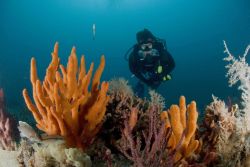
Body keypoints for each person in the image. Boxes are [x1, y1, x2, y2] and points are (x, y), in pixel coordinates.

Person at [128, 29, 175, 96]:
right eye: (144, 46)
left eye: (149, 45)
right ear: (139, 45)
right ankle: (141, 85)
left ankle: (154, 84)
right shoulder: (134, 55)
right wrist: (146, 81)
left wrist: (162, 75)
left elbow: (172, 64)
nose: (147, 49)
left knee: (157, 82)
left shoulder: (160, 51)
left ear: (153, 43)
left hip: (159, 72)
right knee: (141, 85)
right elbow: (133, 69)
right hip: (143, 72)